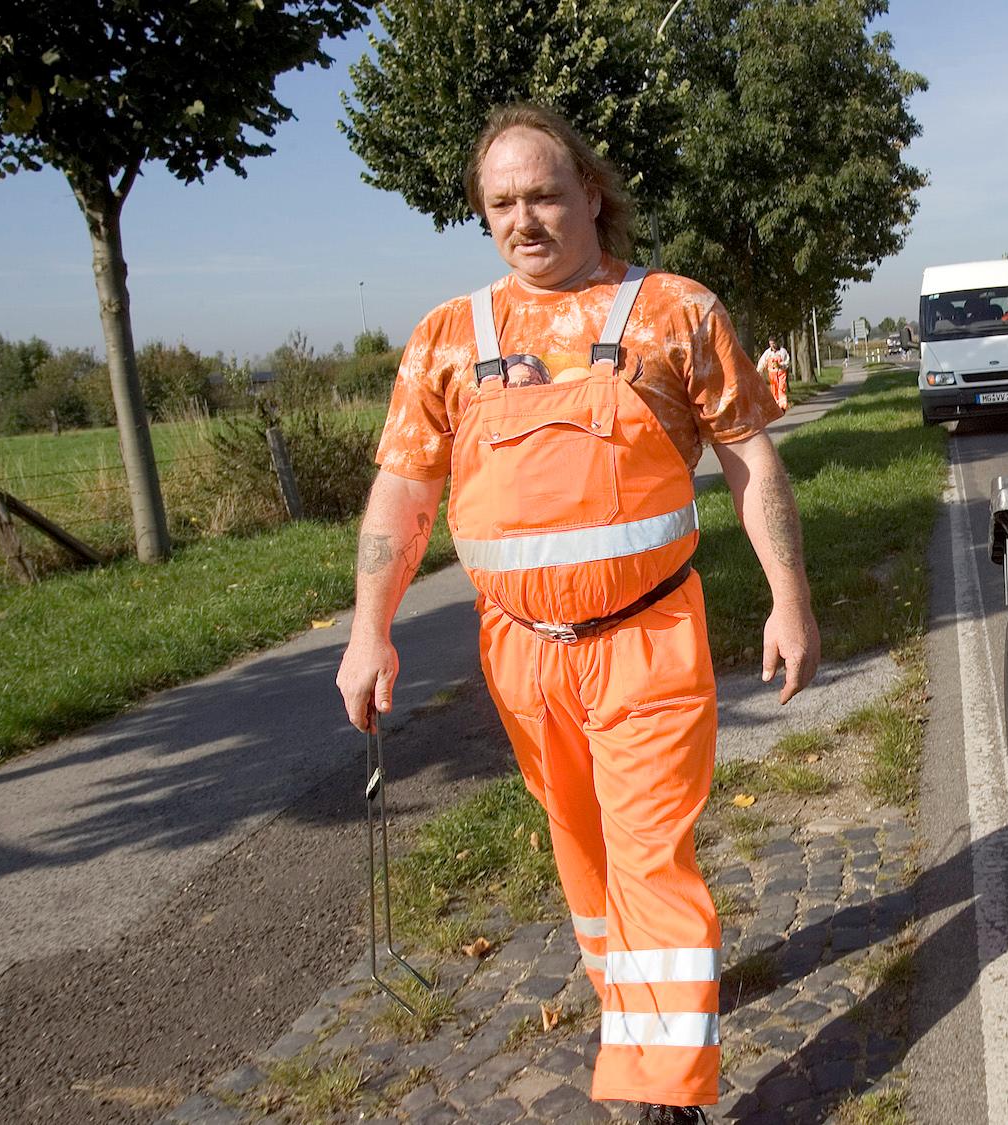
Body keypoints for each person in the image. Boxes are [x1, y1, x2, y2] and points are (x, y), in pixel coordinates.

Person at [335, 103, 819, 1125]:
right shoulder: (444, 340)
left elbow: (749, 459)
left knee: (648, 856)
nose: (524, 218)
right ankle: (631, 1003)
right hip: (520, 654)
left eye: (545, 193)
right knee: (582, 850)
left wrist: (788, 599)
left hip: (647, 639)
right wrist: (368, 628)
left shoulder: (671, 312)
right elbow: (403, 494)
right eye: (500, 202)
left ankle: (660, 1093)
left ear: (590, 193)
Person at [756, 336, 792, 412]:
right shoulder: (768, 353)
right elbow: (762, 362)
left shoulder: (782, 352)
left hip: (781, 374)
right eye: (770, 344)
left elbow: (787, 362)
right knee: (774, 391)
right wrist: (759, 371)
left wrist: (780, 365)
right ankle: (776, 407)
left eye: (773, 343)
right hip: (772, 375)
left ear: (776, 343)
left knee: (781, 389)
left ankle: (783, 406)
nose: (772, 346)